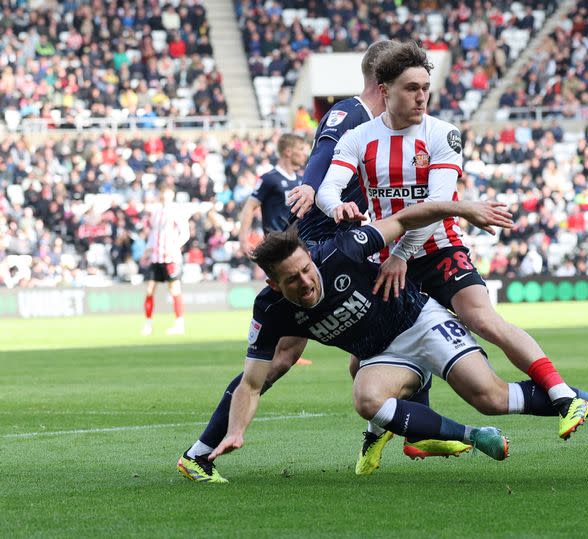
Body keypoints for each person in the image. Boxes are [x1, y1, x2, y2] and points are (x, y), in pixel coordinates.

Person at [177, 40, 470, 483]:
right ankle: (200, 452)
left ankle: (403, 425)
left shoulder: (386, 127)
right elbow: (323, 153)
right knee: (286, 355)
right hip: (325, 241)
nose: (418, 95)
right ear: (383, 81)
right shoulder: (350, 113)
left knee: (386, 323)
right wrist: (313, 188)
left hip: (341, 234)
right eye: (408, 83)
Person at [205, 200, 588, 477]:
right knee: (365, 398)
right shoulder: (270, 309)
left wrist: (463, 210)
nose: (306, 282)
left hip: (419, 321)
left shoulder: (343, 251)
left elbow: (405, 218)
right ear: (273, 284)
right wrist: (237, 432)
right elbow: (251, 381)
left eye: (306, 270)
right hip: (383, 355)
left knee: (491, 395)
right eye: (293, 280)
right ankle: (471, 437)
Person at [315, 41, 588, 448]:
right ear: (385, 89)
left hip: (436, 248)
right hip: (388, 260)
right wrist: (337, 207)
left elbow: (434, 208)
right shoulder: (359, 138)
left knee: (483, 320)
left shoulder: (442, 133)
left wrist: (399, 256)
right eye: (411, 87)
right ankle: (381, 430)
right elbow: (327, 189)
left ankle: (564, 396)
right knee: (361, 358)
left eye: (426, 86)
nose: (421, 96)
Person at [237, 133, 309, 254]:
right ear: (288, 152)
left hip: (299, 244)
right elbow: (249, 207)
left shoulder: (302, 180)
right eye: (301, 149)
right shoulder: (269, 179)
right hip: (277, 246)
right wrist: (243, 240)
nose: (304, 154)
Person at [141, 185, 190, 336]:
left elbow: (185, 233)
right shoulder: (155, 213)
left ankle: (179, 323)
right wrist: (147, 251)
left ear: (172, 195)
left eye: (168, 195)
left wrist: (175, 246)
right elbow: (153, 234)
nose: (165, 197)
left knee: (174, 289)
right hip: (156, 257)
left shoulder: (176, 211)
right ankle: (148, 324)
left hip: (170, 258)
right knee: (149, 290)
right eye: (163, 194)